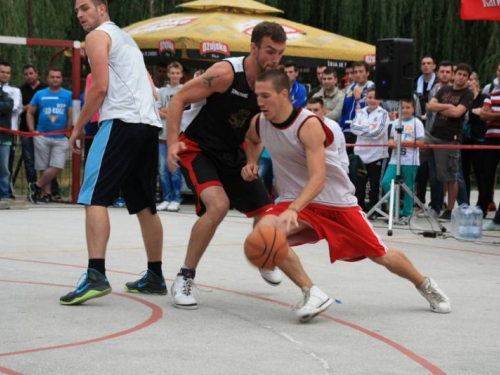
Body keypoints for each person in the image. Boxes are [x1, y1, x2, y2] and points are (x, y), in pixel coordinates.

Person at [242, 69, 450, 322]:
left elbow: (318, 178)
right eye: (257, 96)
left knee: (380, 254)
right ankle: (313, 292)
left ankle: (425, 285)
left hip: (335, 201)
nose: (260, 102)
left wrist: (294, 209)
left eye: (266, 96)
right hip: (295, 199)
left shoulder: (307, 125)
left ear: (284, 94)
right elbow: (251, 139)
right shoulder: (259, 122)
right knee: (265, 233)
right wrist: (251, 161)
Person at [166, 21, 287, 309]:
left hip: (233, 152)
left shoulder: (271, 85)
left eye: (280, 53)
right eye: (270, 51)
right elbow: (179, 98)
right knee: (218, 205)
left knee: (267, 213)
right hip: (197, 148)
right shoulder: (224, 74)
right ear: (254, 47)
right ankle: (184, 276)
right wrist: (172, 141)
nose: (275, 59)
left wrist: (252, 162)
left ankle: (264, 255)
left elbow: (257, 132)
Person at [60, 0, 165, 305]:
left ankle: (95, 274)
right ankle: (155, 276)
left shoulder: (96, 37)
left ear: (101, 8)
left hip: (121, 122)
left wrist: (78, 128)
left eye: (85, 7)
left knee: (93, 196)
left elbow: (99, 88)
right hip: (147, 126)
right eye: (77, 10)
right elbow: (152, 88)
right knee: (146, 205)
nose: (80, 14)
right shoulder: (127, 40)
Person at [426, 63, 474, 222]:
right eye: (459, 74)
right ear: (455, 75)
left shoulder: (467, 93)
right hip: (432, 135)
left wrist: (439, 107)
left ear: (467, 78)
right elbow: (429, 106)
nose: (461, 77)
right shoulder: (443, 89)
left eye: (464, 75)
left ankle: (450, 208)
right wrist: (447, 105)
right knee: (434, 175)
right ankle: (436, 205)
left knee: (450, 176)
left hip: (449, 139)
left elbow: (457, 112)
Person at [27, 68, 72, 203]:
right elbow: (30, 112)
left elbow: (71, 115)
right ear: (47, 78)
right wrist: (32, 131)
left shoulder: (68, 95)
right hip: (42, 135)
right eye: (52, 77)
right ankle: (47, 194)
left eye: (58, 77)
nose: (55, 79)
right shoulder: (39, 94)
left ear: (61, 79)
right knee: (43, 166)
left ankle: (36, 186)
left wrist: (69, 130)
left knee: (57, 165)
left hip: (61, 136)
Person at [382, 98, 425, 219]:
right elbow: (391, 137)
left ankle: (407, 212)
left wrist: (402, 143)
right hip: (395, 159)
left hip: (410, 160)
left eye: (408, 107)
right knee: (386, 182)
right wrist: (390, 142)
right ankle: (395, 209)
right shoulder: (396, 122)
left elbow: (421, 142)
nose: (405, 110)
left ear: (413, 109)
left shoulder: (417, 123)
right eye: (402, 108)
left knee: (408, 187)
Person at [350, 87, 389, 213]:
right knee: (359, 185)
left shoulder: (383, 113)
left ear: (380, 100)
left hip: (377, 155)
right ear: (366, 98)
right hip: (360, 155)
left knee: (375, 185)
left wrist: (362, 130)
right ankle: (360, 209)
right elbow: (353, 128)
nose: (372, 100)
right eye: (369, 97)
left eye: (375, 98)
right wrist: (368, 129)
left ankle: (375, 210)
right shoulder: (360, 112)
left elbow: (378, 133)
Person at [157, 61, 184, 212]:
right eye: (172, 73)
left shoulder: (184, 90)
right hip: (162, 135)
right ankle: (166, 198)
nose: (174, 76)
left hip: (176, 137)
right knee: (162, 169)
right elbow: (158, 110)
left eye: (177, 73)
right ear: (168, 74)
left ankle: (176, 198)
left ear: (181, 75)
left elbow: (184, 112)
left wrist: (168, 112)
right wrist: (171, 112)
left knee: (174, 168)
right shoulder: (162, 92)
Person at [19, 64, 47, 185]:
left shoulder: (45, 88)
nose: (29, 76)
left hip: (45, 130)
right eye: (26, 74)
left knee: (46, 160)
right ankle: (32, 185)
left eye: (31, 73)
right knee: (29, 159)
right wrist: (30, 107)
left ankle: (49, 188)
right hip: (26, 130)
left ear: (36, 73)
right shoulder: (20, 90)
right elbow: (17, 108)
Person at [462, 72, 487, 207]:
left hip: (479, 138)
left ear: (476, 82)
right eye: (467, 79)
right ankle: (465, 203)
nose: (468, 82)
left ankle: (482, 204)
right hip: (464, 139)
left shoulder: (483, 96)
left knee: (480, 172)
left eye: (471, 79)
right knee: (463, 174)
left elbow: (483, 113)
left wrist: (475, 111)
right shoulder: (463, 97)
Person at [306, 97, 349, 173]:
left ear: (323, 111)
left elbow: (335, 152)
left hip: (337, 167)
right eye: (309, 110)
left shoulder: (333, 126)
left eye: (316, 110)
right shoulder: (304, 126)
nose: (312, 113)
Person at [339, 61, 374, 154]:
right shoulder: (350, 89)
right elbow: (345, 110)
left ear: (367, 73)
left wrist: (359, 98)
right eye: (355, 72)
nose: (357, 74)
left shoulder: (373, 88)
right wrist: (341, 128)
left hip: (364, 132)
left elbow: (373, 110)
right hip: (347, 130)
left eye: (361, 71)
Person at [480, 84, 500, 231]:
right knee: (486, 175)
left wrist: (494, 114)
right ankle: (482, 208)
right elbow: (484, 115)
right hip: (492, 139)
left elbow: (488, 114)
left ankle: (498, 219)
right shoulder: (492, 94)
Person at [0, 82, 14, 208]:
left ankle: (4, 195)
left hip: (4, 139)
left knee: (4, 168)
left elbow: (6, 107)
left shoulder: (7, 97)